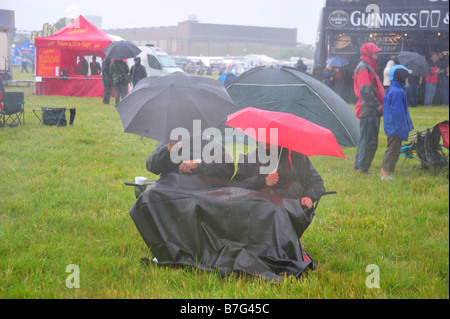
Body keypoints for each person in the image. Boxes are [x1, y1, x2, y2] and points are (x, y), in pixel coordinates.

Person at [233, 144, 325, 210]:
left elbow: (316, 182)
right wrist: (263, 181)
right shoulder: (252, 157)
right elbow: (237, 184)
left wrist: (309, 196)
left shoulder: (297, 156)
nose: (266, 141)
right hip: (257, 209)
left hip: (289, 209)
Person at [353, 43, 385, 174]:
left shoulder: (365, 66)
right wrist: (377, 105)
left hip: (369, 108)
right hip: (370, 109)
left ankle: (359, 165)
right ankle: (363, 168)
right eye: (375, 53)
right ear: (369, 54)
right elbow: (365, 90)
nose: (377, 55)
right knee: (369, 141)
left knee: (364, 139)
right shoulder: (363, 68)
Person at [381, 65, 414, 180]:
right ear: (400, 76)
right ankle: (385, 174)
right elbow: (398, 113)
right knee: (393, 150)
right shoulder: (398, 92)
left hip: (391, 125)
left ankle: (386, 171)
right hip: (395, 127)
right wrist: (403, 130)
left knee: (392, 148)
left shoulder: (392, 89)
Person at [147, 137, 235, 180]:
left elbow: (228, 169)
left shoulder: (211, 143)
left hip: (200, 193)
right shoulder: (169, 142)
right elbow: (151, 167)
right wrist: (167, 150)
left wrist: (198, 164)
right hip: (169, 191)